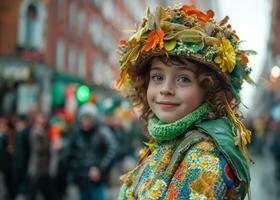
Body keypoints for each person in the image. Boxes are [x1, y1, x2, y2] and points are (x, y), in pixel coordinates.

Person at [116, 4, 254, 199]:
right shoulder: (169, 139)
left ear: (208, 89)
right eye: (157, 77)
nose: (165, 88)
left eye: (183, 79)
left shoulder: (204, 160)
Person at [64, 103, 118, 200]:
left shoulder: (101, 131)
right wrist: (73, 168)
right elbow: (68, 153)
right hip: (80, 178)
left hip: (96, 179)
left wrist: (100, 169)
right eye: (84, 118)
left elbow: (113, 149)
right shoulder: (75, 132)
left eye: (89, 119)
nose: (86, 122)